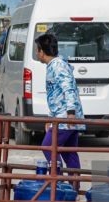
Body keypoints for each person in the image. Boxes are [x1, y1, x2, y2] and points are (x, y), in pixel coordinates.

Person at [35, 33, 85, 174]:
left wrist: (70, 113)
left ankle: (58, 182)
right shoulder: (54, 65)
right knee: (69, 153)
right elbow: (54, 95)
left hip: (65, 117)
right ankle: (73, 187)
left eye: (37, 50)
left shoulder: (58, 66)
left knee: (48, 146)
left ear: (42, 52)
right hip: (62, 116)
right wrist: (50, 118)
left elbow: (68, 88)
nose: (36, 53)